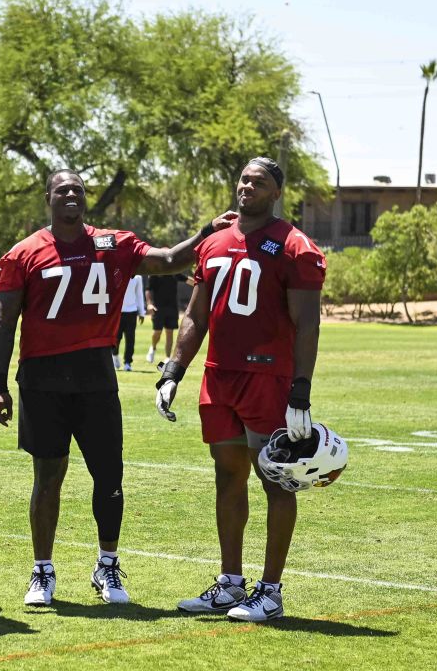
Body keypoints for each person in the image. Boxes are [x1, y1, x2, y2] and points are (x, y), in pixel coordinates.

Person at [0, 169, 236, 606]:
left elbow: (167, 259)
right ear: (47, 197)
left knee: (109, 477)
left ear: (87, 200)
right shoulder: (24, 253)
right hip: (43, 378)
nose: (70, 194)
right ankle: (42, 571)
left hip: (95, 376)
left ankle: (107, 566)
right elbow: (5, 323)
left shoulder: (112, 243)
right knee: (47, 477)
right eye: (62, 189)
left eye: (78, 190)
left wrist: (204, 232)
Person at [155, 157, 326, 622]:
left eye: (260, 181)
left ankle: (270, 591)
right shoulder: (213, 243)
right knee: (227, 475)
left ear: (276, 193)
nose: (248, 185)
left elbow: (307, 322)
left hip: (267, 377)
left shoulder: (295, 245)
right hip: (219, 375)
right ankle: (231, 583)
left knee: (275, 478)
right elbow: (195, 316)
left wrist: (300, 391)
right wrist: (173, 370)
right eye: (245, 178)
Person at [146, 273, 187, 367]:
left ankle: (168, 357)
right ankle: (153, 347)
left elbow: (188, 280)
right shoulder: (155, 274)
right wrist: (149, 304)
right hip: (158, 308)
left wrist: (203, 284)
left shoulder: (174, 272)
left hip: (172, 308)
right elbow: (148, 289)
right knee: (157, 332)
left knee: (170, 333)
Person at [112, 274, 146, 371]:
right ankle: (115, 355)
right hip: (118, 312)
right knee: (116, 338)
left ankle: (128, 362)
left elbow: (139, 294)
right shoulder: (117, 274)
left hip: (132, 312)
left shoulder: (138, 278)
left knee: (130, 338)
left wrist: (141, 312)